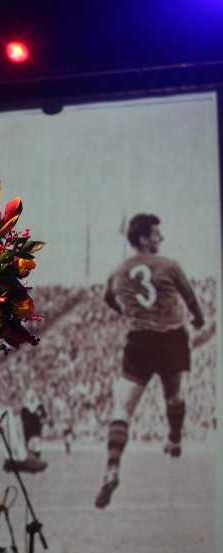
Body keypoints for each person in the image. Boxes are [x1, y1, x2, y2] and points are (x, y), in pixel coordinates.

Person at [95, 214, 204, 509]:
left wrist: (127, 312)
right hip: (171, 339)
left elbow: (107, 299)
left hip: (139, 341)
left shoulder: (117, 272)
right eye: (157, 234)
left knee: (122, 409)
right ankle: (174, 439)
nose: (161, 238)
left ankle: (112, 468)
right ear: (144, 238)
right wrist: (199, 320)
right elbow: (191, 300)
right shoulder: (169, 265)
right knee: (175, 398)